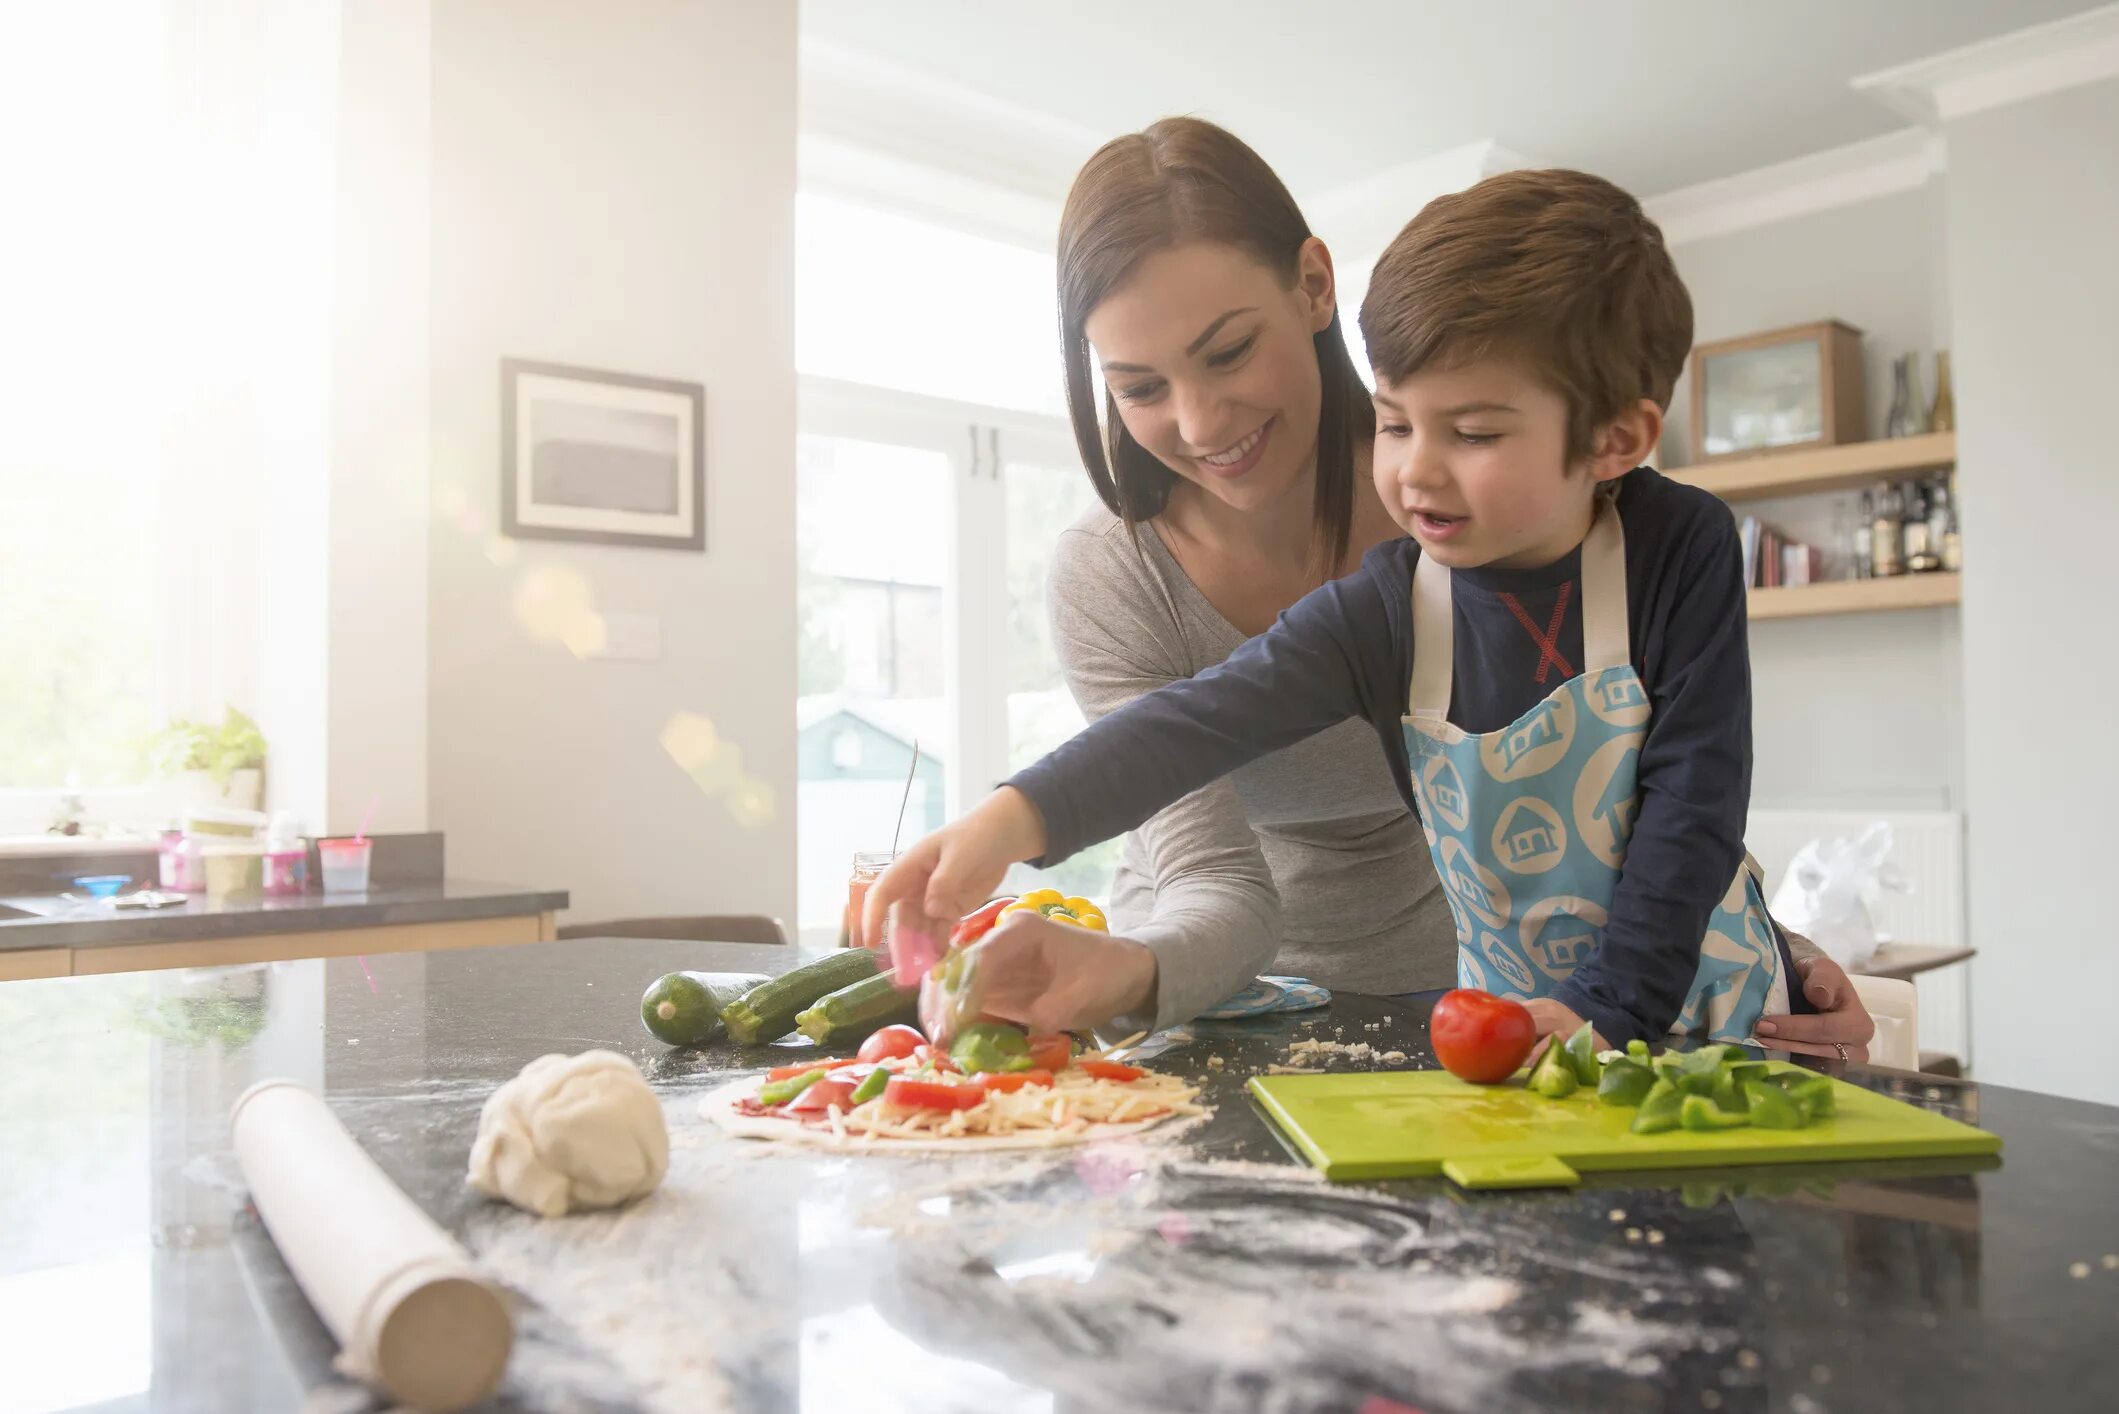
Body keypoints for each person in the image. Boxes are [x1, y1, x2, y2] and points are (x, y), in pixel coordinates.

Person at [867, 119, 1872, 1057]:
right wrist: (1002, 821)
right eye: (1396, 422)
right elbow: (1193, 723)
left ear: (1615, 440)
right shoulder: (1391, 596)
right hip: (1432, 1023)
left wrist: (1732, 954)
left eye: (1469, 432)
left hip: (1618, 1013)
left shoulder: (1665, 540)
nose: (1418, 476)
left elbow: (1684, 804)